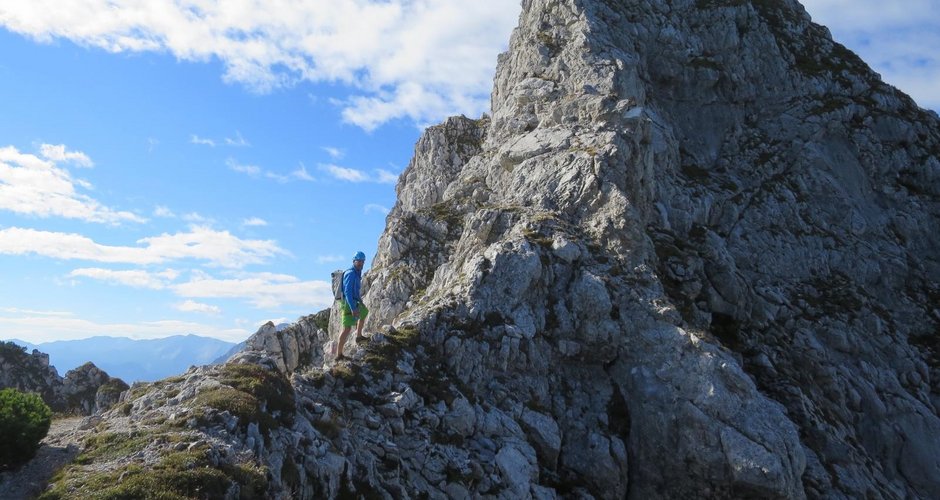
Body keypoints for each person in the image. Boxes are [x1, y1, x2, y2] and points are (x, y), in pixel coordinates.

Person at [334, 251, 368, 360]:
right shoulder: (350, 273)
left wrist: (359, 300)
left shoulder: (357, 273)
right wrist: (353, 308)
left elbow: (355, 290)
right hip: (347, 303)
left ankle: (358, 336)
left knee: (364, 312)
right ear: (354, 261)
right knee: (347, 328)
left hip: (354, 300)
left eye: (362, 262)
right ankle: (338, 355)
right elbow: (348, 292)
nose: (361, 264)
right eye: (359, 261)